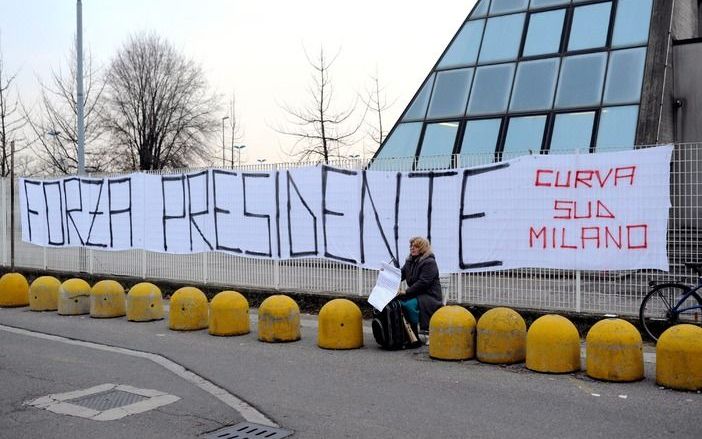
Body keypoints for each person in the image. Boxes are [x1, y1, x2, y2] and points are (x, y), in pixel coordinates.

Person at [397, 236, 443, 339]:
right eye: (411, 246)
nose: (412, 248)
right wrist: (387, 275)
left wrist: (405, 291)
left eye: (416, 246)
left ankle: (420, 331)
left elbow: (423, 283)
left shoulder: (429, 262)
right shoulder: (409, 261)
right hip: (416, 294)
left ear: (422, 248)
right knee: (397, 302)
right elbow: (400, 275)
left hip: (429, 297)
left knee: (408, 305)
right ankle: (406, 333)